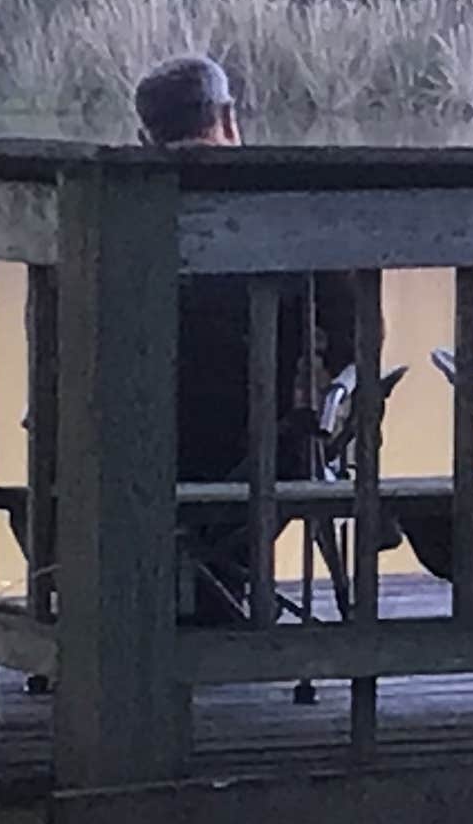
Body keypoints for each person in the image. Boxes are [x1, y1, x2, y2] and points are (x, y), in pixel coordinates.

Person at [135, 54, 361, 615]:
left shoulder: (112, 221)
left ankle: (167, 588)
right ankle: (219, 585)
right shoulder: (290, 213)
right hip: (265, 457)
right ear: (229, 120)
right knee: (305, 429)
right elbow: (357, 342)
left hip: (120, 454)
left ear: (144, 140)